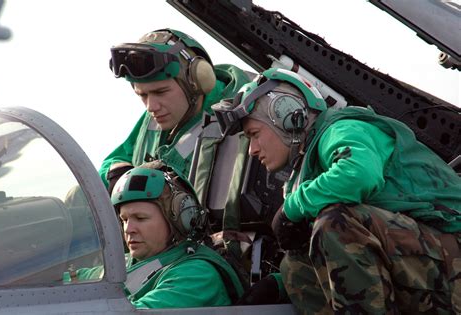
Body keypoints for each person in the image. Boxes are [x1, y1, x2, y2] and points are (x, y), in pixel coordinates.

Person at [212, 67, 461, 314]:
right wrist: (279, 285)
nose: (252, 150)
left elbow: (358, 175)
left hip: (454, 256)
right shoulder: (308, 172)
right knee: (294, 269)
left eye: (254, 134)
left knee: (334, 223)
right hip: (432, 266)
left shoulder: (342, 129)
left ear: (287, 115)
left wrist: (292, 208)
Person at [68, 161, 244, 309]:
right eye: (124, 220)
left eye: (140, 218)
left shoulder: (196, 275)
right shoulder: (129, 262)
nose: (129, 229)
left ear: (179, 219)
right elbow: (75, 280)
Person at [101, 28, 250, 192]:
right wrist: (115, 171)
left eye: (160, 92)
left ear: (197, 81)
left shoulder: (244, 116)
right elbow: (118, 158)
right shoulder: (157, 115)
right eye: (142, 95)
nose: (151, 107)